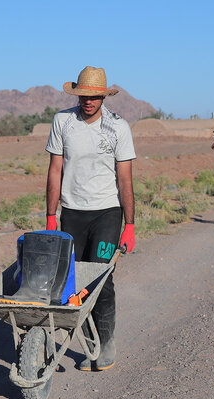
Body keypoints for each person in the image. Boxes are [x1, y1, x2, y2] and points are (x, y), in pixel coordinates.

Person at [45, 66, 136, 371]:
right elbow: (55, 170)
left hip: (108, 213)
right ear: (78, 94)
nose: (88, 101)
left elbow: (125, 179)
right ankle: (90, 345)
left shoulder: (118, 127)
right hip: (72, 213)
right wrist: (50, 216)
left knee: (100, 279)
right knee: (75, 284)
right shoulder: (63, 122)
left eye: (94, 96)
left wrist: (130, 225)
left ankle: (106, 345)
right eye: (83, 95)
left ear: (103, 96)